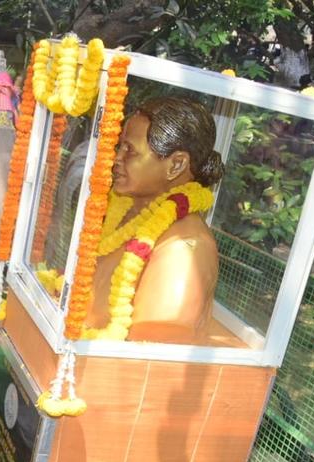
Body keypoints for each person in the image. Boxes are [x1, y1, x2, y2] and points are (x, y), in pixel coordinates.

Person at [84, 96, 222, 344]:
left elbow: (146, 361)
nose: (117, 158)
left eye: (130, 150)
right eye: (120, 147)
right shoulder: (126, 212)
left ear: (176, 165)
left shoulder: (184, 248)